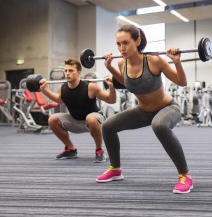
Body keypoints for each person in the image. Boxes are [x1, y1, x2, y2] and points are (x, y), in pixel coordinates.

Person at [96, 24, 193, 194]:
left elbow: (181, 82)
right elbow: (127, 84)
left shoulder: (154, 61)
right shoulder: (121, 63)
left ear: (138, 40)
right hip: (143, 111)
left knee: (159, 125)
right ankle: (115, 169)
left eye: (126, 43)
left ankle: (185, 175)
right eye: (118, 44)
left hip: (167, 108)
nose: (121, 48)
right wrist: (110, 67)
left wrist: (176, 62)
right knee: (108, 126)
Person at [39, 59, 117, 162]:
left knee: (91, 118)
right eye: (66, 71)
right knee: (52, 119)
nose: (67, 73)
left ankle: (99, 150)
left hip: (94, 120)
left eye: (71, 71)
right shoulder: (62, 88)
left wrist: (111, 87)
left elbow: (111, 100)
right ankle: (70, 149)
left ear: (79, 72)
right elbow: (59, 100)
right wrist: (44, 90)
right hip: (75, 120)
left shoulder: (90, 87)